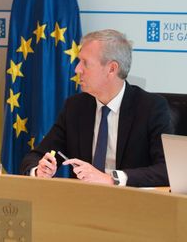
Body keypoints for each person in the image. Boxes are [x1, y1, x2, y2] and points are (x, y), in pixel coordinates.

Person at [20, 29, 172, 187]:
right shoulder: (75, 107)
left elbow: (166, 170)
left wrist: (112, 179)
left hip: (133, 204)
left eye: (85, 63)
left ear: (112, 69)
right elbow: (34, 157)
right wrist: (39, 170)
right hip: (85, 205)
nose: (77, 69)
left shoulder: (150, 108)